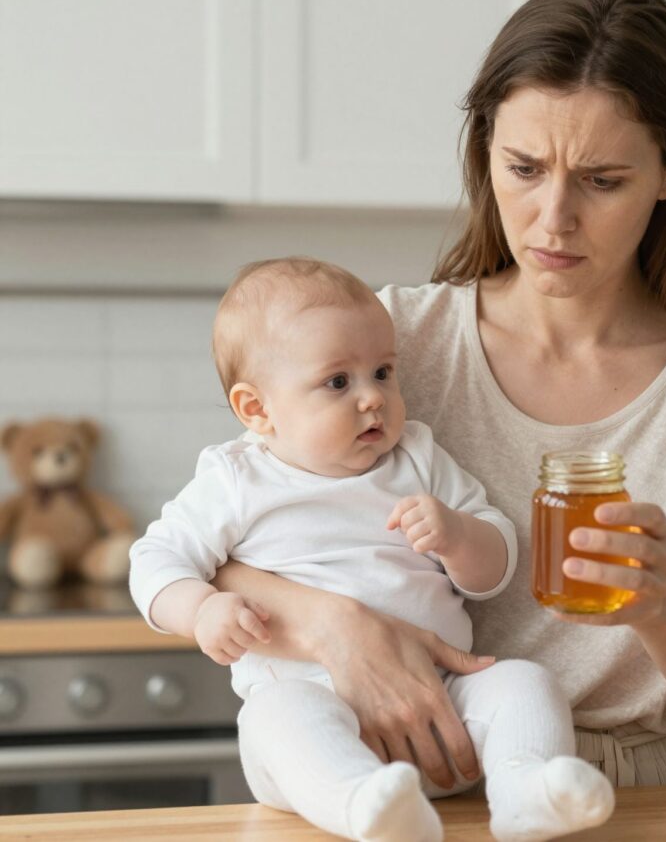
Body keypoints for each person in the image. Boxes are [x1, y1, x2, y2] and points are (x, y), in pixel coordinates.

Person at [215, 0, 666, 788]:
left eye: (603, 180)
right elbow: (221, 541)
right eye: (524, 168)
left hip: (631, 795)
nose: (553, 218)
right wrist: (336, 628)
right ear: (484, 150)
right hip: (407, 782)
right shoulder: (393, 347)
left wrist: (662, 608)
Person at [128, 258, 615, 842]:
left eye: (383, 373)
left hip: (443, 704)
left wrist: (460, 536)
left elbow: (495, 567)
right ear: (257, 409)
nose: (373, 399)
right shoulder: (236, 480)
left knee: (525, 683)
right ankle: (366, 807)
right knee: (272, 717)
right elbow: (154, 561)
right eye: (339, 382)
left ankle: (523, 791)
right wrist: (201, 609)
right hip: (314, 715)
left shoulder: (416, 457)